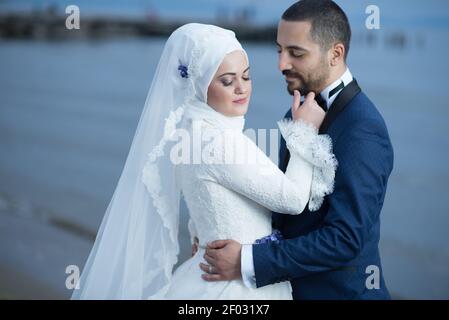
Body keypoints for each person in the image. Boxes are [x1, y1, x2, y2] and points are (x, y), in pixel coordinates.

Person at [71, 23, 336, 299]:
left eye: (246, 77)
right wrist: (304, 131)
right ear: (200, 84)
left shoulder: (188, 131)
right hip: (237, 286)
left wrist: (200, 231)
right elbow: (293, 200)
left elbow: (204, 192)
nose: (241, 89)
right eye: (227, 80)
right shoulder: (220, 141)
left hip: (208, 270)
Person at [201, 0, 394, 300]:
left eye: (296, 53)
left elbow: (345, 239)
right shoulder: (300, 110)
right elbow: (289, 211)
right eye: (279, 49)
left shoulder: (363, 128)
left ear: (336, 53)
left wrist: (248, 260)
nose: (281, 64)